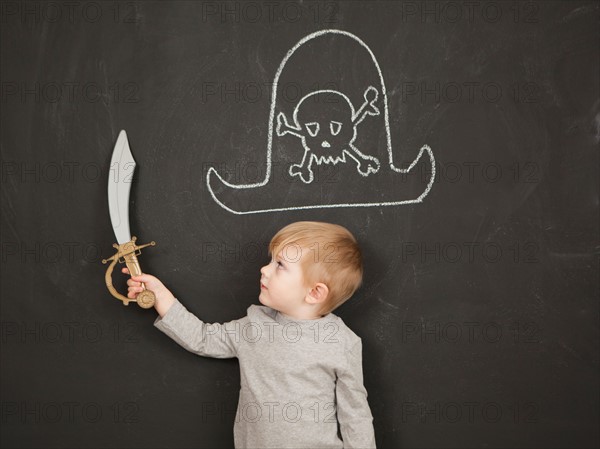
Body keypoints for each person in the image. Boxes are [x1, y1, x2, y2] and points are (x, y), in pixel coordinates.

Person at [122, 221, 376, 448]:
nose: (264, 270)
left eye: (280, 266)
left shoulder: (342, 342)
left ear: (314, 293)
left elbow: (355, 413)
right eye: (271, 261)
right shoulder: (254, 326)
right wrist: (161, 297)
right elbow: (203, 338)